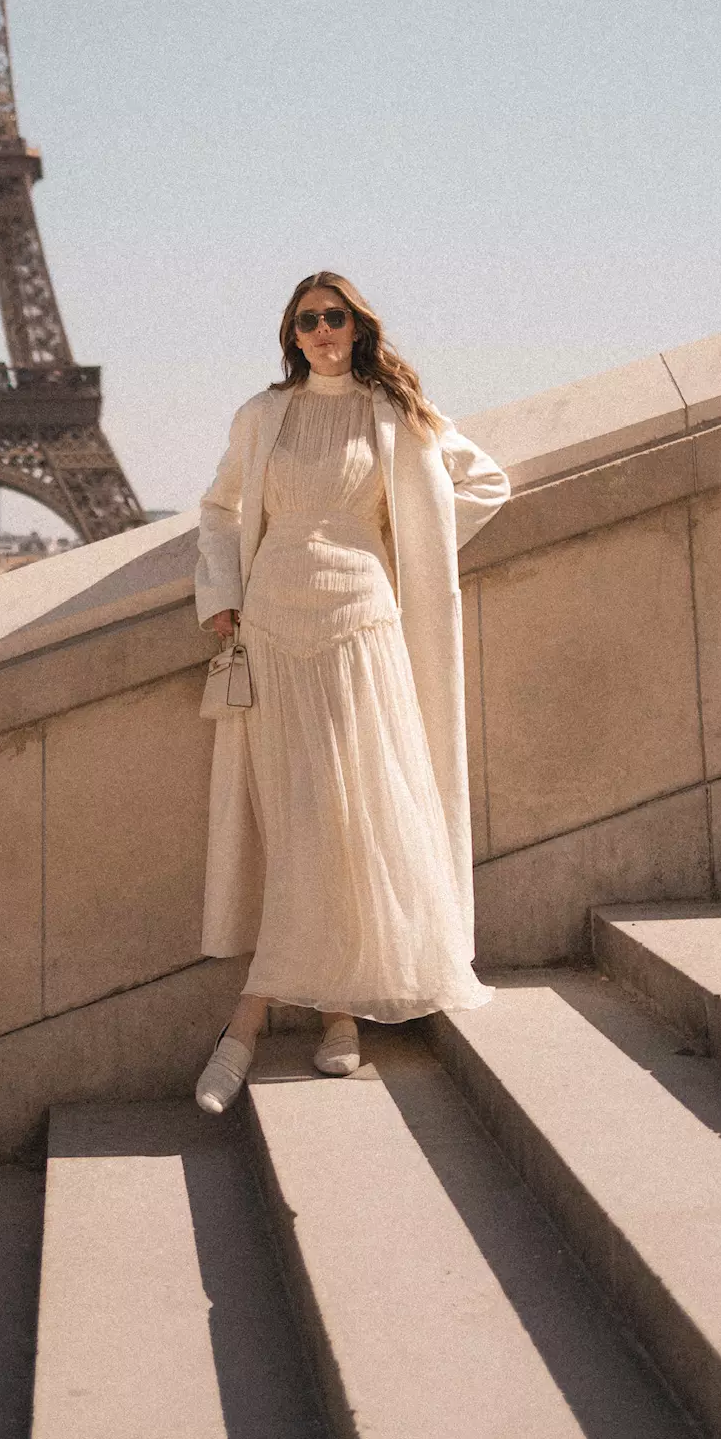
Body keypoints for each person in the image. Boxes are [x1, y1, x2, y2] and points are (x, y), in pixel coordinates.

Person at [193, 270, 510, 1114]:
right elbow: (221, 511)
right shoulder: (262, 416)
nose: (323, 331)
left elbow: (484, 483)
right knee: (297, 817)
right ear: (291, 334)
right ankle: (327, 1017)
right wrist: (220, 597)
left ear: (357, 327)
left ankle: (281, 1022)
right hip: (273, 625)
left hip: (360, 626)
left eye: (335, 318)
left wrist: (415, 545)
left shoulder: (395, 411)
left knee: (346, 813)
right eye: (308, 321)